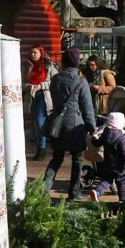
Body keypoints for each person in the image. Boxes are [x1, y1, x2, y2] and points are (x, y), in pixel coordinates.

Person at [44, 48, 95, 201]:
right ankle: (74, 193)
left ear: (64, 61)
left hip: (57, 124)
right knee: (77, 159)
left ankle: (43, 189)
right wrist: (92, 127)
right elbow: (87, 107)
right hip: (74, 126)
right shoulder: (81, 81)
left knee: (57, 158)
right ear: (78, 63)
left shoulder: (56, 79)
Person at [88, 112, 125, 203]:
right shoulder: (121, 137)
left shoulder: (105, 132)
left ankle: (97, 192)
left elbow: (97, 143)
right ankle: (123, 200)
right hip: (118, 165)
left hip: (107, 163)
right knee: (121, 181)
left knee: (107, 179)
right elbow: (124, 152)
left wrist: (94, 137)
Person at [24, 44, 59, 161]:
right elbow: (24, 83)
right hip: (32, 96)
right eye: (31, 52)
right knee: (34, 123)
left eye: (35, 52)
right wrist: (30, 86)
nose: (32, 55)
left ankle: (43, 148)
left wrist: (41, 86)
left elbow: (55, 81)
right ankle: (39, 148)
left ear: (41, 53)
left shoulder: (49, 66)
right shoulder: (28, 65)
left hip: (43, 97)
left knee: (40, 123)